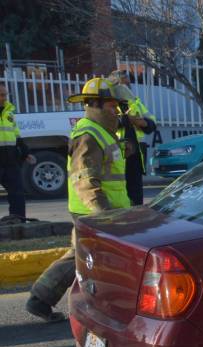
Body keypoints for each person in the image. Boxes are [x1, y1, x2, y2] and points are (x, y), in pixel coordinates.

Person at [26, 77, 129, 323]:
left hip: (104, 210)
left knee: (80, 257)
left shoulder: (101, 131)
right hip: (95, 211)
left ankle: (41, 299)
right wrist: (103, 214)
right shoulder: (89, 135)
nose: (116, 111)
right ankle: (97, 308)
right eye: (112, 105)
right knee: (93, 259)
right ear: (96, 104)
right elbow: (84, 178)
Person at [106, 70, 156, 206]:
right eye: (124, 84)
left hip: (136, 155)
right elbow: (105, 124)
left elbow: (151, 124)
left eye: (128, 84)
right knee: (120, 192)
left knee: (136, 195)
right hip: (117, 155)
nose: (127, 87)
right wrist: (126, 120)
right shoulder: (108, 104)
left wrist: (143, 123)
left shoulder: (134, 102)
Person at [0, 83, 36, 224]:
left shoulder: (9, 113)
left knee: (17, 194)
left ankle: (18, 222)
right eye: (1, 95)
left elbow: (16, 135)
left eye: (5, 94)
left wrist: (25, 153)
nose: (4, 98)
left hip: (10, 160)